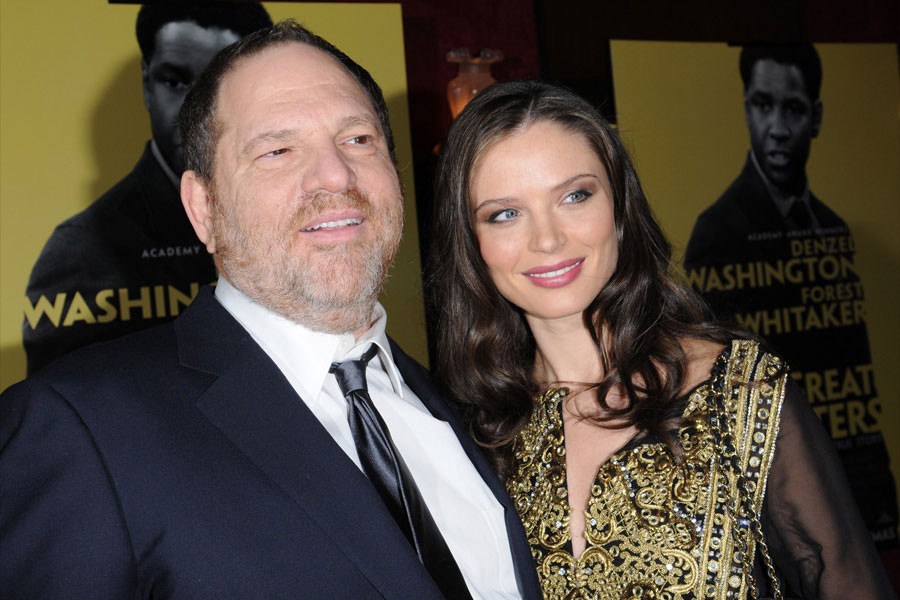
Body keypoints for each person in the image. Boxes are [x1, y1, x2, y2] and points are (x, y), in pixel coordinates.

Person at [0, 21, 542, 599]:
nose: (335, 174)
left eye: (358, 140)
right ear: (202, 208)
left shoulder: (466, 411)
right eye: (278, 150)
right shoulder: (80, 429)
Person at [427, 80, 894, 598]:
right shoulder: (475, 436)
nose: (548, 239)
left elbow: (847, 582)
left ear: (619, 206)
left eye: (574, 196)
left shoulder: (736, 390)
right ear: (470, 241)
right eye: (505, 214)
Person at [684, 44, 898, 550]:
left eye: (794, 109)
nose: (777, 128)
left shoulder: (833, 228)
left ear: (817, 118)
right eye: (762, 105)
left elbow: (859, 378)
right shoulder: (716, 233)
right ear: (745, 108)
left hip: (850, 480)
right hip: (763, 496)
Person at [22, 3, 272, 375]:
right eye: (174, 81)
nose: (192, 112)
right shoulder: (84, 250)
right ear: (146, 84)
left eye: (215, 86)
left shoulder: (294, 210)